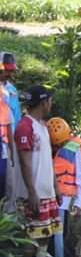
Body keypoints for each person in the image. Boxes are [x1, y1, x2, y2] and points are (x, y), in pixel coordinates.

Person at [10, 86, 61, 257]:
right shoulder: (25, 126)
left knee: (45, 234)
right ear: (43, 102)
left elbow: (48, 159)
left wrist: (55, 186)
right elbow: (24, 162)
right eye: (49, 101)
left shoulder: (42, 126)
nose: (51, 105)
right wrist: (32, 192)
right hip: (32, 193)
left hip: (46, 191)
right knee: (30, 238)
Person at [47, 117, 81, 257]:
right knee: (48, 234)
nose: (56, 147)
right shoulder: (45, 144)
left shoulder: (73, 149)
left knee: (58, 235)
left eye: (58, 144)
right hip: (46, 197)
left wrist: (79, 202)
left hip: (63, 200)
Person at [0, 52, 19, 202]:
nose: (9, 74)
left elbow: (16, 118)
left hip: (9, 144)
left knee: (8, 187)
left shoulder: (12, 91)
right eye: (7, 70)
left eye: (12, 70)